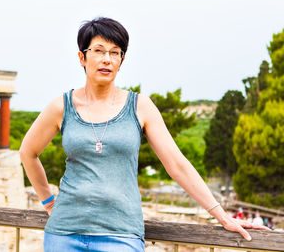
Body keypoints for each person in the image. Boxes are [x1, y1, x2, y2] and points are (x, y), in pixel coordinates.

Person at [19, 17, 269, 252]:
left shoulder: (140, 107)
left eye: (115, 52)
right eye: (98, 50)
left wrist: (222, 216)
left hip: (121, 235)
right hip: (64, 233)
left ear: (121, 61)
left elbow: (177, 165)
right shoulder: (61, 107)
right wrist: (49, 202)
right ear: (82, 57)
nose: (107, 59)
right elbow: (28, 153)